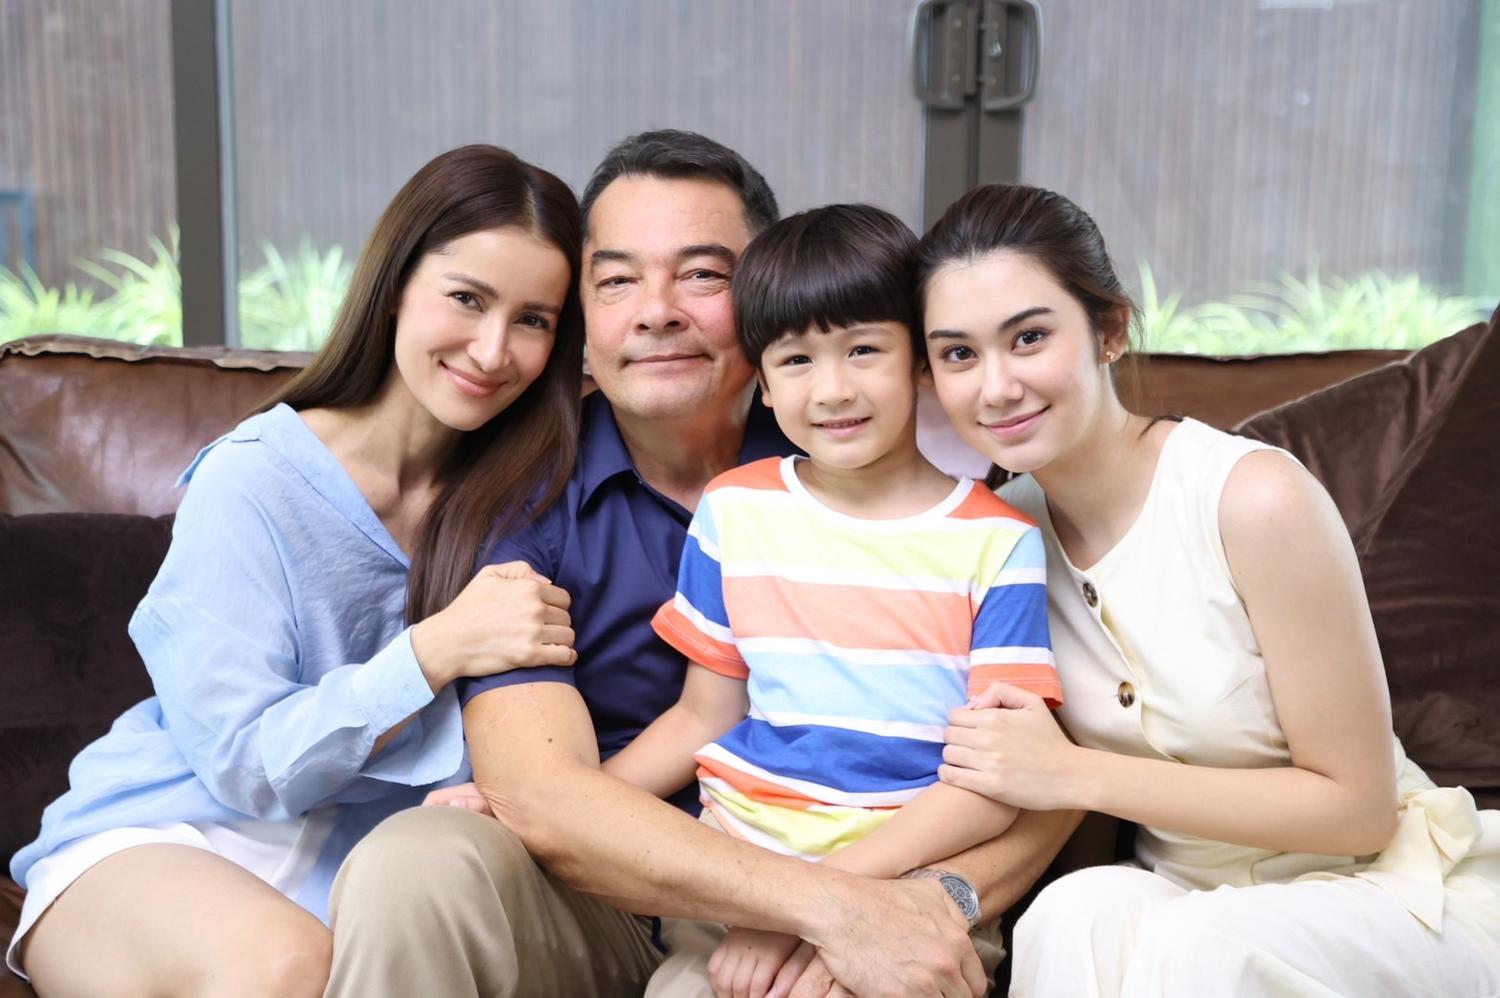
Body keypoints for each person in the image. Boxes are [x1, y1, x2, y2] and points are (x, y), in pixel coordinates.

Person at [325, 132, 1083, 998]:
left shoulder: (906, 474)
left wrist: (900, 905)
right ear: (581, 314)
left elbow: (1051, 777)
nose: (656, 312)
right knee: (416, 857)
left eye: (700, 275)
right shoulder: (525, 500)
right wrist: (820, 907)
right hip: (608, 900)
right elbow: (556, 788)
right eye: (617, 281)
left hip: (878, 872)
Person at [7, 144, 587, 997]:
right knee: (285, 968)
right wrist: (433, 650)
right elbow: (243, 762)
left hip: (362, 877)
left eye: (533, 320)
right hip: (168, 836)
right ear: (395, 287)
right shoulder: (254, 477)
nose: (493, 349)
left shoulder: (528, 506)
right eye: (467, 298)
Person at [918, 182, 1500, 996]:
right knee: (1072, 913)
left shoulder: (1252, 499)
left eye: (1030, 338)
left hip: (1395, 893)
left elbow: (1359, 810)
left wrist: (1076, 774)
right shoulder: (999, 538)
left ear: (1109, 331)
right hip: (1189, 900)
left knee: (1199, 949)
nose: (996, 387)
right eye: (959, 355)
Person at [601, 202, 1062, 997]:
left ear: (920, 361)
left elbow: (993, 785)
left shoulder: (997, 542)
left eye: (863, 350)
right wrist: (548, 802)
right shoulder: (735, 510)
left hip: (906, 894)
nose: (834, 390)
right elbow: (702, 715)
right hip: (736, 891)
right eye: (796, 360)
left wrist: (818, 904)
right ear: (762, 382)